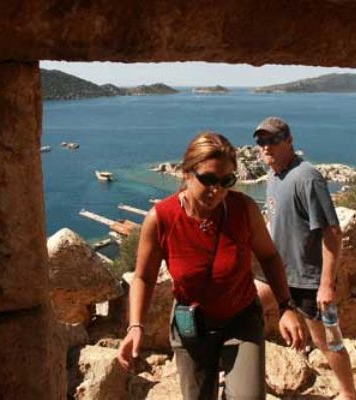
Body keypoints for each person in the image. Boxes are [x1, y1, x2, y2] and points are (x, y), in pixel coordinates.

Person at [117, 131, 306, 400]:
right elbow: (143, 278)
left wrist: (286, 306)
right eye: (207, 179)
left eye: (226, 181)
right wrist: (135, 325)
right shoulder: (161, 218)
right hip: (191, 324)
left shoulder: (243, 209)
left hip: (241, 319)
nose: (216, 190)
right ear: (186, 173)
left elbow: (269, 256)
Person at [252, 117, 356, 400]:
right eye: (261, 142)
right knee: (245, 311)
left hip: (309, 280)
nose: (266, 147)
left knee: (328, 342)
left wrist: (326, 284)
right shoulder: (273, 177)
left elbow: (332, 233)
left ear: (289, 141)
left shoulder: (307, 177)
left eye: (273, 140)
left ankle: (350, 394)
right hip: (279, 272)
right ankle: (244, 378)